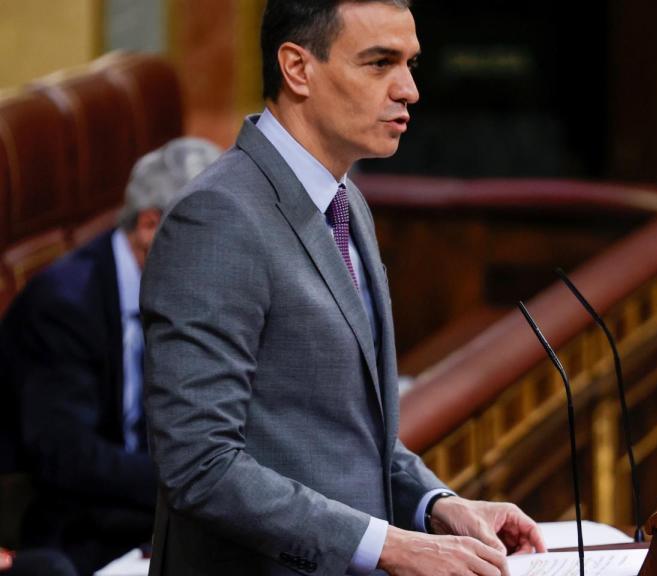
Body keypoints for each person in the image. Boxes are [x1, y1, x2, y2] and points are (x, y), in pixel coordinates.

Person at [140, 1, 547, 575]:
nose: (409, 90)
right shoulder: (218, 217)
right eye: (380, 63)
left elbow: (347, 431)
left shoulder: (345, 199)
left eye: (409, 64)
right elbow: (200, 464)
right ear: (297, 68)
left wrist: (436, 504)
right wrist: (392, 546)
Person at [0, 137, 222, 575]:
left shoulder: (179, 289)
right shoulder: (64, 305)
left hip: (140, 501)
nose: (218, 259)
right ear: (150, 225)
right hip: (68, 522)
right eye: (208, 239)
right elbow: (68, 458)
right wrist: (196, 480)